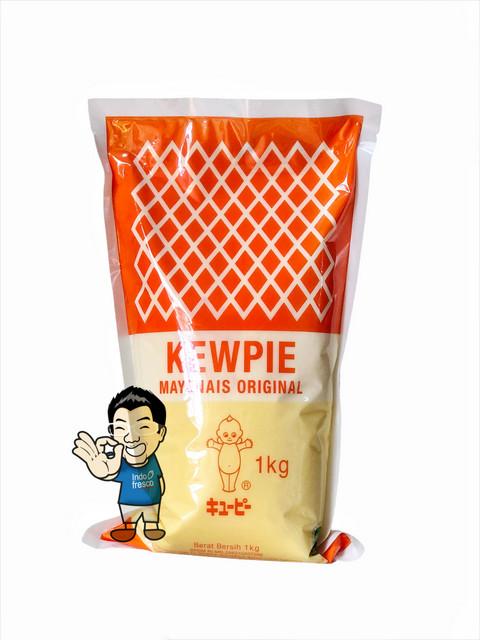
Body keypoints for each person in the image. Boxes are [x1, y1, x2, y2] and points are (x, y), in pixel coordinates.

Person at [73, 386, 167, 542]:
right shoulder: (118, 460)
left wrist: (161, 489)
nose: (131, 438)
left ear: (160, 433)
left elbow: (159, 477)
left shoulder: (153, 460)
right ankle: (128, 529)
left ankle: (151, 527)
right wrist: (103, 472)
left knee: (151, 516)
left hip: (152, 501)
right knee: (129, 517)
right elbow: (111, 472)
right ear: (112, 433)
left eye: (144, 427)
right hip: (128, 500)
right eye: (121, 428)